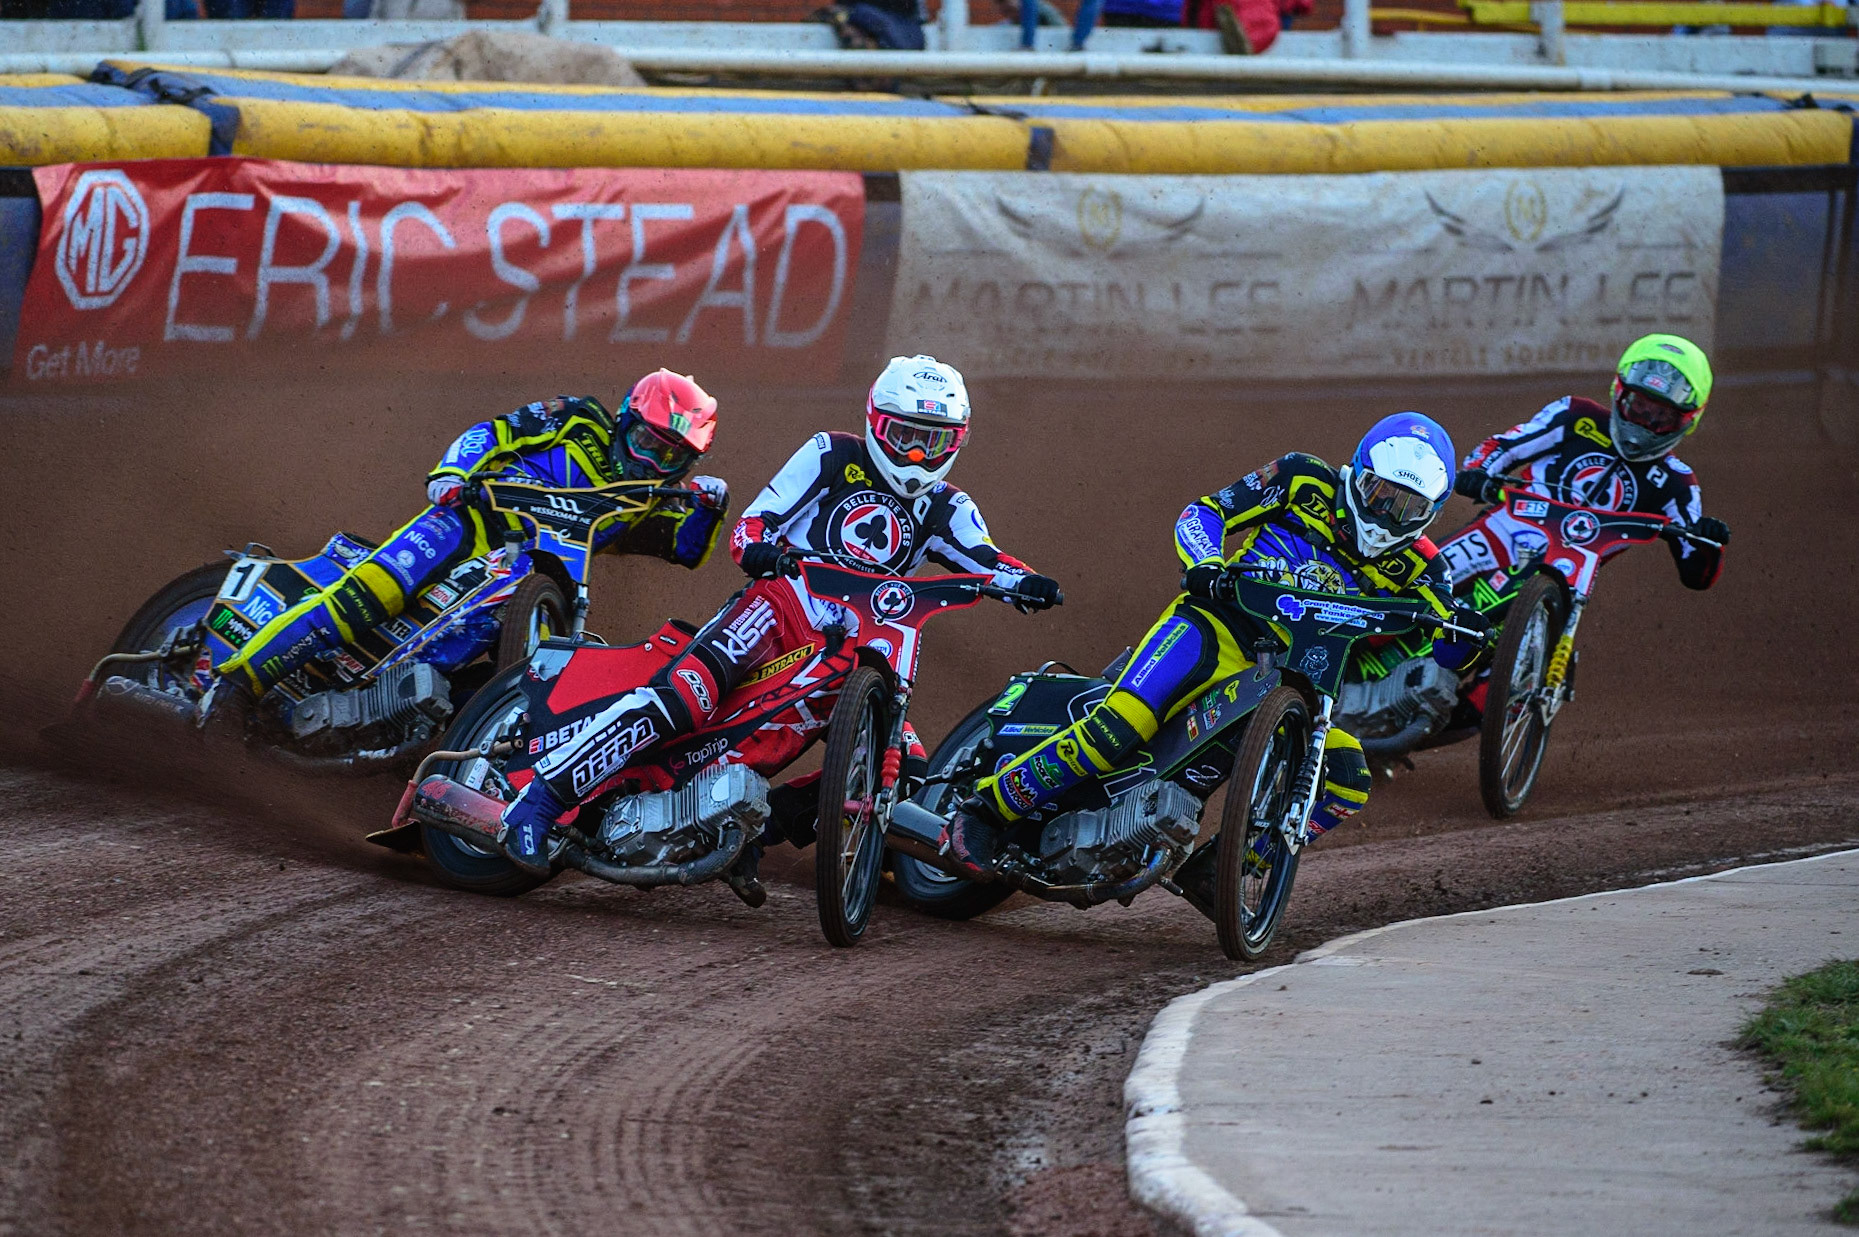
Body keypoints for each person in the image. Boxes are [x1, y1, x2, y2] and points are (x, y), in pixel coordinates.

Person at [497, 354, 1063, 881]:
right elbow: (753, 523)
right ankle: (540, 801)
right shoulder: (831, 454)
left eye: (932, 441)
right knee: (686, 697)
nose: (916, 456)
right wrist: (760, 549)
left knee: (905, 770)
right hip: (779, 606)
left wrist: (1026, 583)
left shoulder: (948, 505)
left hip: (857, 643)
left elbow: (988, 560)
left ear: (957, 441)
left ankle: (755, 831)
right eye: (904, 437)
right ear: (876, 421)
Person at [944, 412, 1490, 911]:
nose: (1387, 514)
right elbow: (1205, 512)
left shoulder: (1426, 569)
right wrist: (1205, 563)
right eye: (1380, 493)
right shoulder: (1303, 478)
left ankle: (1224, 869)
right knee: (1118, 728)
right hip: (1216, 627)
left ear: (1432, 513)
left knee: (1347, 779)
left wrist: (1468, 638)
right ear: (1357, 472)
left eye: (1408, 508)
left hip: (1302, 678)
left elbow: (1447, 640)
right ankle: (984, 811)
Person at [210, 371, 728, 719]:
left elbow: (683, 549)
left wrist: (710, 509)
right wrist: (453, 473)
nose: (650, 462)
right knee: (372, 594)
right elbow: (495, 432)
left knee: (503, 678)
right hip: (468, 524)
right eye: (645, 442)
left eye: (670, 458)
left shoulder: (648, 498)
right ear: (625, 419)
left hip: (532, 577)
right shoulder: (578, 418)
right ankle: (235, 685)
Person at [1453, 333, 1730, 590]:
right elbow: (1508, 446)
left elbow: (1696, 573)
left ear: (1686, 420)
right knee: (1431, 576)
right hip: (1504, 529)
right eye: (1639, 406)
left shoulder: (1678, 483)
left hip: (1572, 569)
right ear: (1620, 392)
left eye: (1661, 416)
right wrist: (1478, 472)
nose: (1645, 422)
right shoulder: (1576, 415)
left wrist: (1709, 543)